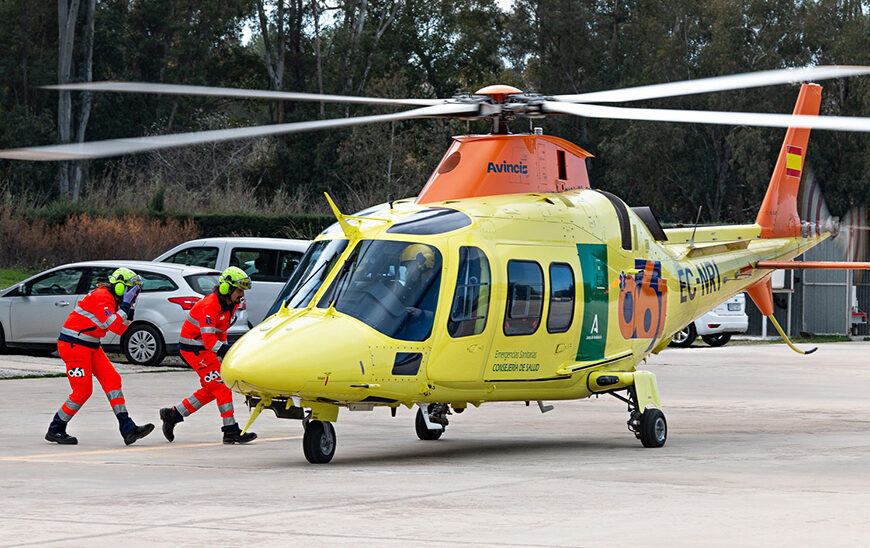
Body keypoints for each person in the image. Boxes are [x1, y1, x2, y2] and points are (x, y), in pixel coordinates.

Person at [45, 267, 154, 445]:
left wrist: (129, 310)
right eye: (131, 289)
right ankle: (55, 429)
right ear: (119, 287)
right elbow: (111, 324)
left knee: (112, 379)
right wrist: (125, 307)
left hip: (90, 344)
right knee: (82, 391)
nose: (134, 294)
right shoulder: (103, 297)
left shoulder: (115, 299)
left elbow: (119, 329)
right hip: (74, 346)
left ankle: (127, 428)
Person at [159, 266, 257, 444]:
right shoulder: (210, 305)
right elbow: (209, 340)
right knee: (221, 386)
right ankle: (230, 430)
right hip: (194, 349)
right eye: (240, 290)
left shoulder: (230, 305)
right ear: (227, 288)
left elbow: (221, 333)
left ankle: (173, 414)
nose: (242, 294)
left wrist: (224, 351)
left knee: (212, 389)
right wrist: (229, 351)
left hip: (204, 349)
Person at [396, 244, 439, 341]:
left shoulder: (438, 287)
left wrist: (420, 313)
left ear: (422, 265)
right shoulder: (413, 287)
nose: (407, 271)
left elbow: (443, 316)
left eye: (409, 267)